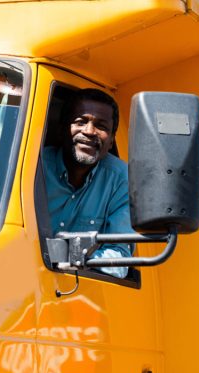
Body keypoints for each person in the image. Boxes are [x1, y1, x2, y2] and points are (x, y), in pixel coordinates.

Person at [43, 88, 132, 278]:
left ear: (112, 141)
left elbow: (119, 260)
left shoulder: (121, 179)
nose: (89, 131)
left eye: (101, 126)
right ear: (62, 129)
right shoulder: (34, 165)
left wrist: (63, 255)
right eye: (80, 122)